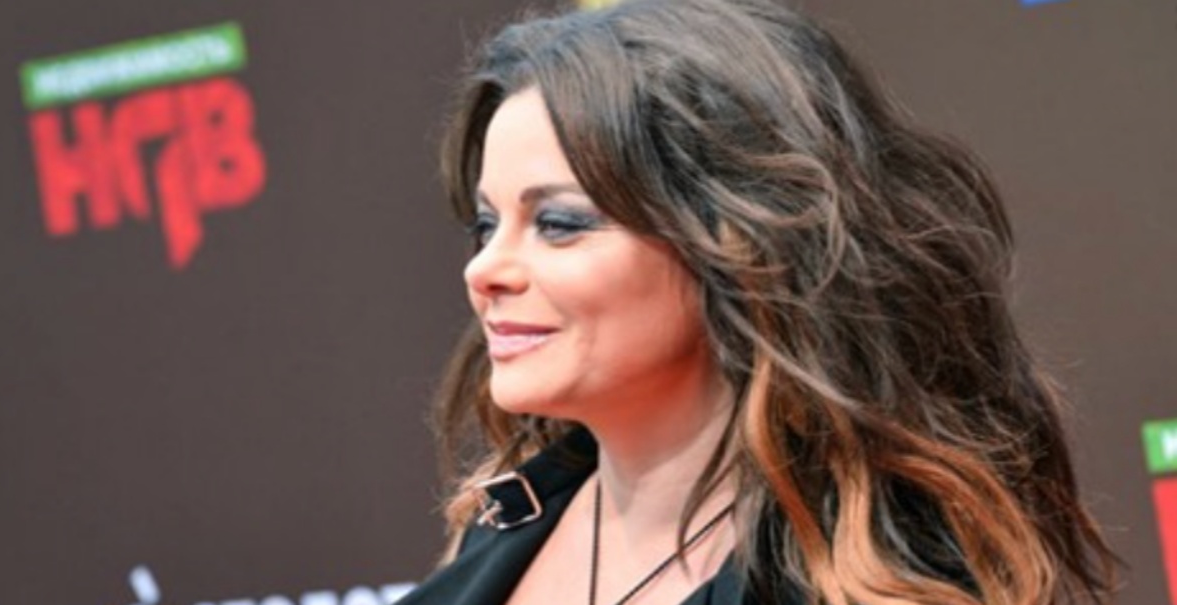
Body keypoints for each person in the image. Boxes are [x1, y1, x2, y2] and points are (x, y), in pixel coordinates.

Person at [399, 0, 1118, 603]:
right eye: (486, 226)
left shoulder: (873, 581)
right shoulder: (497, 528)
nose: (485, 270)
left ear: (733, 241)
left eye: (559, 223)